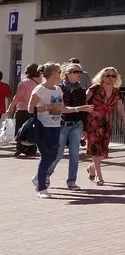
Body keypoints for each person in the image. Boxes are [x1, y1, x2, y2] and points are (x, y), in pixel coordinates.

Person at [47, 62, 93, 190]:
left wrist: (85, 127)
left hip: (77, 124)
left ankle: (71, 181)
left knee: (75, 155)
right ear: (66, 74)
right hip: (62, 124)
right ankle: (45, 175)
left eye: (80, 72)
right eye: (75, 72)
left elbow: (84, 110)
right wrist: (79, 109)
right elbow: (60, 109)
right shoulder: (59, 88)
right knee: (58, 154)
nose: (79, 74)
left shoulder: (81, 90)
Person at [27, 63, 65, 198]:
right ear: (52, 73)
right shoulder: (39, 89)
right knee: (46, 156)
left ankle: (38, 178)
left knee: (54, 156)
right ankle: (41, 188)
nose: (60, 75)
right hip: (43, 127)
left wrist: (80, 108)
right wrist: (49, 107)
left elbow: (63, 107)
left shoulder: (58, 89)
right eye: (59, 72)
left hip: (56, 125)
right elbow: (31, 109)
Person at [85, 67, 125, 186]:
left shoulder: (116, 92)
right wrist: (90, 112)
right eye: (107, 75)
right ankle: (99, 175)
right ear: (102, 76)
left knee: (103, 149)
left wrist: (124, 119)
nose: (110, 78)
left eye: (113, 76)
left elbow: (119, 106)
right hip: (93, 122)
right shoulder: (94, 89)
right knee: (96, 148)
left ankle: (93, 168)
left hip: (107, 121)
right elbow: (84, 102)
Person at [7, 64, 43, 157]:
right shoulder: (42, 82)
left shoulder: (24, 82)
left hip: (23, 109)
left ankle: (21, 148)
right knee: (33, 129)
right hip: (36, 109)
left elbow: (18, 97)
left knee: (21, 129)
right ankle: (32, 148)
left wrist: (10, 107)